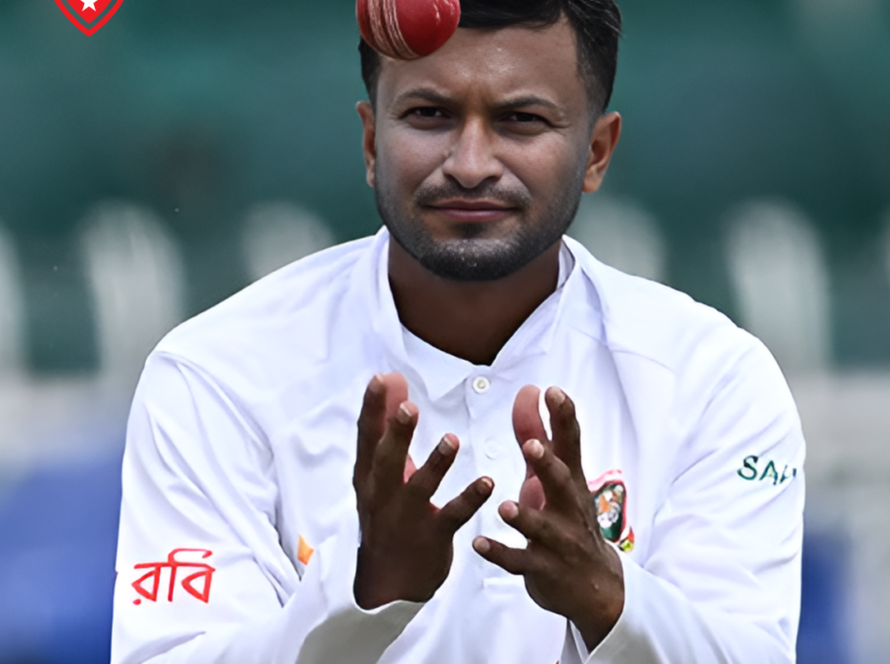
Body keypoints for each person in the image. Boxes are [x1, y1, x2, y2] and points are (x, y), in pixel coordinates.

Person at [111, 1, 805, 662]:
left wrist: (608, 597)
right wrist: (362, 594)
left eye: (521, 120)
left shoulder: (713, 380)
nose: (471, 164)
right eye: (429, 115)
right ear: (371, 140)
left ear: (597, 152)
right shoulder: (217, 375)